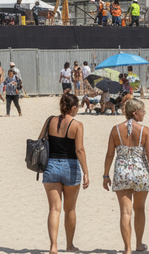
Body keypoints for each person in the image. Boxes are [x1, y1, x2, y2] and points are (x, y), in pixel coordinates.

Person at [103, 99, 149, 254]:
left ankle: (127, 248)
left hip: (122, 173)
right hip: (140, 173)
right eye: (142, 111)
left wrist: (106, 174)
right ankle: (139, 244)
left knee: (125, 212)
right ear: (135, 113)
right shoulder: (144, 130)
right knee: (139, 209)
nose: (144, 114)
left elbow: (109, 155)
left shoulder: (115, 130)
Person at [40, 93, 89, 253]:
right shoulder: (77, 125)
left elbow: (40, 141)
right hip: (70, 166)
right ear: (73, 108)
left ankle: (53, 246)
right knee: (70, 209)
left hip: (51, 166)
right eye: (77, 107)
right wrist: (86, 172)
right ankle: (69, 245)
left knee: (54, 209)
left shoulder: (50, 121)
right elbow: (79, 150)